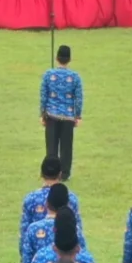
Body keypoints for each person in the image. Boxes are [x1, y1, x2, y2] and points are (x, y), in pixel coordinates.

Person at [41, 47, 83, 182]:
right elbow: (79, 97)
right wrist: (78, 115)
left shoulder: (48, 75)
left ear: (56, 58)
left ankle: (51, 172)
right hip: (68, 116)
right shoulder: (75, 77)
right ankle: (64, 174)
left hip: (51, 115)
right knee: (66, 147)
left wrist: (42, 113)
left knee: (51, 146)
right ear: (69, 59)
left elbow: (43, 95)